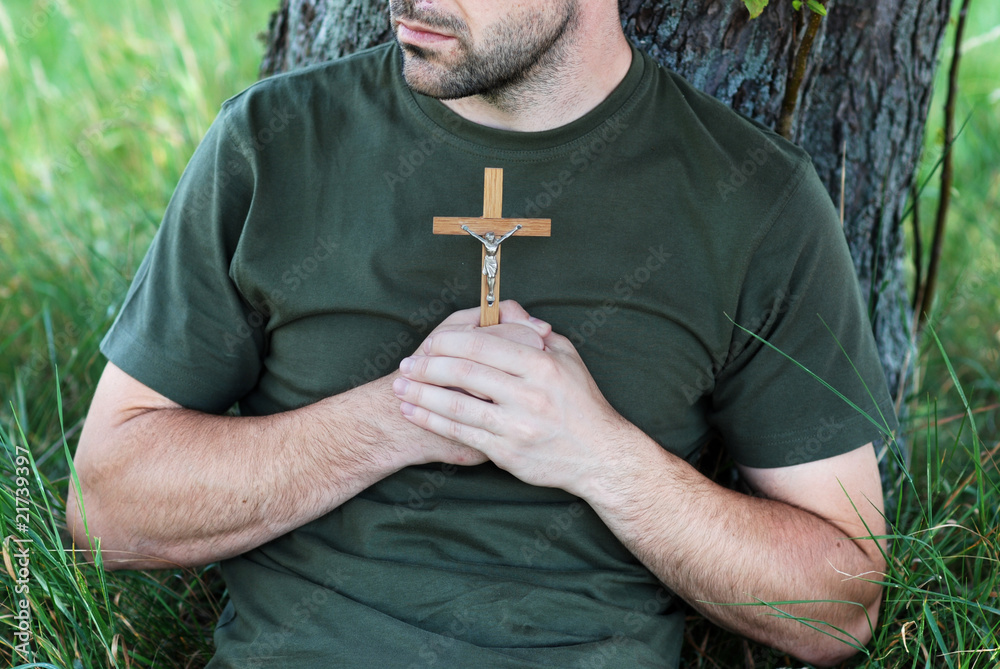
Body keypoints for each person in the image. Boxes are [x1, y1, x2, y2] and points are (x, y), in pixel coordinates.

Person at [67, 0, 898, 666]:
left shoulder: (751, 201)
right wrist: (400, 416)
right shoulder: (276, 146)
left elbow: (838, 603)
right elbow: (106, 508)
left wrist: (600, 454)